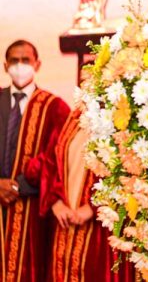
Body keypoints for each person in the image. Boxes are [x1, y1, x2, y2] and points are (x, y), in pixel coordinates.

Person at [37, 103, 135, 281]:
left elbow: (129, 172)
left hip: (102, 229)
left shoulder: (120, 116)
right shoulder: (74, 118)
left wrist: (92, 207)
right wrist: (55, 202)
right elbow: (51, 161)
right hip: (65, 222)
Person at [0, 39, 70, 281]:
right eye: (14, 61)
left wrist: (18, 186)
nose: (20, 66)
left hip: (32, 209)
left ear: (37, 64)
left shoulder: (55, 107)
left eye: (26, 60)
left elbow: (58, 157)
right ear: (5, 65)